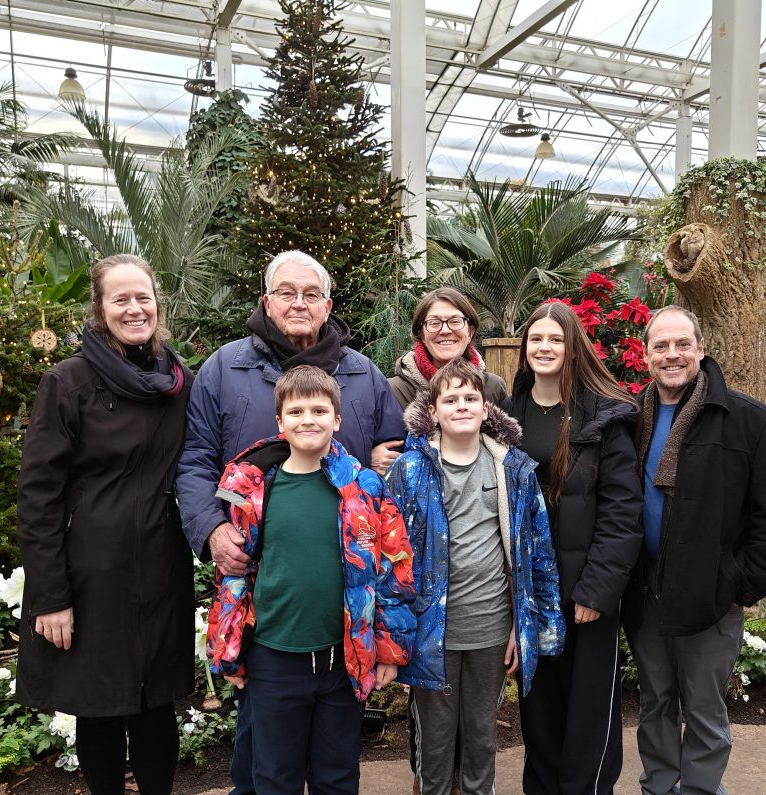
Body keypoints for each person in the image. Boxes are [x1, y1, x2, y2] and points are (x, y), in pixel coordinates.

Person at [177, 249, 404, 793]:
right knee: (262, 761)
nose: (298, 303)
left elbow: (398, 456)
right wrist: (211, 528)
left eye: (311, 294)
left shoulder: (362, 374)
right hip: (263, 597)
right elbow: (195, 460)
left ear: (327, 305)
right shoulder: (224, 369)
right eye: (286, 292)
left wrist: (385, 463)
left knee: (335, 765)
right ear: (266, 301)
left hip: (341, 611)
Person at [16, 254, 194, 794]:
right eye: (121, 299)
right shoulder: (68, 382)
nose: (135, 309)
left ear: (158, 305)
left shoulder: (178, 381)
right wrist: (51, 596)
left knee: (156, 705)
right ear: (99, 308)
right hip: (90, 572)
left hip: (161, 566)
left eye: (143, 297)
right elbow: (38, 496)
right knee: (98, 706)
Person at [206, 365, 415, 795]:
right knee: (274, 778)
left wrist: (389, 649)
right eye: (296, 411)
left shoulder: (364, 488)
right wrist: (226, 646)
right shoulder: (255, 490)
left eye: (319, 411)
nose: (308, 420)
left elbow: (394, 569)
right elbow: (233, 575)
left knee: (337, 777)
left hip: (343, 659)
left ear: (336, 420)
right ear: (280, 422)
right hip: (274, 660)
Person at [625, 306, 766, 795]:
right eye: (661, 346)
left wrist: (738, 584)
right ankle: (660, 787)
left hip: (711, 594)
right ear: (646, 355)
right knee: (656, 702)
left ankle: (700, 789)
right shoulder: (629, 417)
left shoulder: (747, 419)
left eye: (683, 344)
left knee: (703, 708)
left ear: (701, 349)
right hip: (645, 592)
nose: (672, 354)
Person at [386, 359, 565, 795]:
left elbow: (538, 552)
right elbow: (389, 561)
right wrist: (395, 635)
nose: (462, 406)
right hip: (431, 634)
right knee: (435, 741)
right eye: (451, 399)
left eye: (471, 398)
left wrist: (526, 626)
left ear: (486, 409)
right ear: (433, 411)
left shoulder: (513, 470)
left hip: (491, 629)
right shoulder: (409, 471)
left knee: (482, 738)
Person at [500, 300, 643, 795]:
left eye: (555, 339)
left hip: (585, 594)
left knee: (588, 715)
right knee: (539, 711)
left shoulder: (604, 417)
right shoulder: (505, 416)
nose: (544, 347)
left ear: (573, 348)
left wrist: (597, 590)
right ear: (524, 347)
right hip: (531, 594)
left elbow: (623, 512)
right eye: (536, 338)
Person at [388, 286, 507, 409]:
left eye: (455, 321)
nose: (445, 330)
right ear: (421, 335)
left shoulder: (493, 389)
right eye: (434, 323)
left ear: (470, 333)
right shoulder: (394, 393)